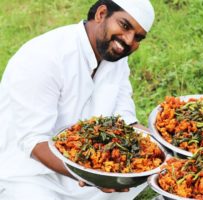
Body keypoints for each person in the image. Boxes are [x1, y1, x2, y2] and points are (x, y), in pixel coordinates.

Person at [0, 0, 155, 199]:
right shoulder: (44, 57)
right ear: (101, 14)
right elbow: (34, 142)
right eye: (125, 26)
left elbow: (124, 119)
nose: (128, 40)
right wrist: (90, 175)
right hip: (30, 172)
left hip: (85, 162)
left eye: (138, 37)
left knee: (151, 169)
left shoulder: (116, 57)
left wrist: (164, 147)